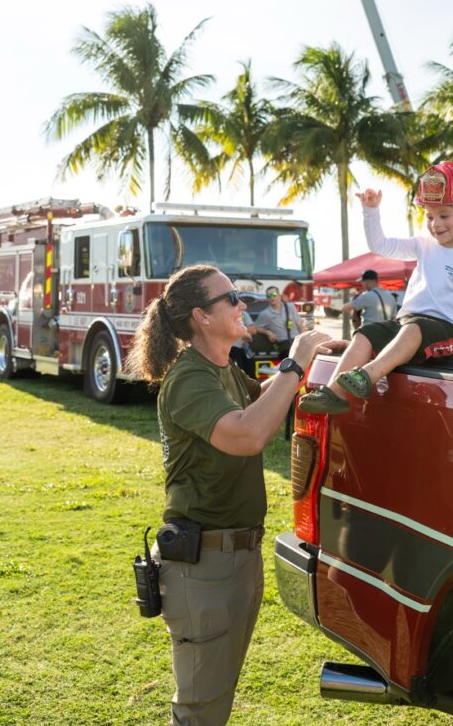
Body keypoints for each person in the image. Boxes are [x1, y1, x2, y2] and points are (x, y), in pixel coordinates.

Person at [127, 264, 333, 725]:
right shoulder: (188, 378)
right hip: (204, 566)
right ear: (201, 315)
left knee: (215, 700)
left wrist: (316, 370)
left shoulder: (224, 370)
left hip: (236, 556)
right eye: (232, 298)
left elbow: (262, 400)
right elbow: (245, 435)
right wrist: (294, 363)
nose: (244, 305)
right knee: (201, 711)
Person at [299, 161, 453, 415]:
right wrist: (370, 211)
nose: (435, 224)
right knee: (365, 333)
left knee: (413, 328)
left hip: (448, 331)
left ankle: (367, 375)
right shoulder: (423, 244)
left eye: (444, 215)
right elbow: (381, 246)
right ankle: (334, 393)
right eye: (430, 216)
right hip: (407, 324)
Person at [249, 286, 305, 356]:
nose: (271, 297)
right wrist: (267, 332)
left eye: (274, 294)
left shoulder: (290, 307)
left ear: (279, 295)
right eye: (269, 296)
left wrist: (305, 339)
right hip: (284, 345)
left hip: (296, 341)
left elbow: (300, 324)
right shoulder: (265, 314)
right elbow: (255, 327)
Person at [229, 309, 258, 378]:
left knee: (251, 374)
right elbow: (224, 327)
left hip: (244, 348)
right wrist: (244, 332)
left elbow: (253, 330)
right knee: (238, 376)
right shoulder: (224, 313)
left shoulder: (243, 313)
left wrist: (240, 329)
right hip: (231, 348)